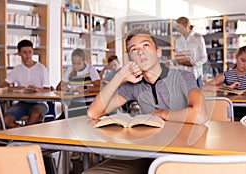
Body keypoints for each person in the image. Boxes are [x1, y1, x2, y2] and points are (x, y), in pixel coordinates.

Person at [85, 27, 208, 174]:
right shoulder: (133, 85)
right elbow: (93, 112)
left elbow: (200, 115)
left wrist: (161, 114)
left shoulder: (183, 77)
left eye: (145, 45)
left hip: (181, 154)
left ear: (158, 52)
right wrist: (120, 76)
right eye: (134, 50)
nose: (140, 52)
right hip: (145, 154)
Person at [3, 39, 51, 128]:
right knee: (6, 119)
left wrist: (38, 89)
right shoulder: (17, 69)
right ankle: (24, 134)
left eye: (30, 52)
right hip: (22, 103)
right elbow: (4, 85)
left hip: (40, 103)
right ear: (19, 54)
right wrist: (16, 88)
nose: (28, 55)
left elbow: (48, 89)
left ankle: (24, 136)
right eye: (24, 52)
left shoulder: (41, 68)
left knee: (35, 114)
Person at [56, 48, 100, 119]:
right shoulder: (70, 70)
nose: (76, 66)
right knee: (57, 122)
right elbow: (58, 87)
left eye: (79, 63)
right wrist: (65, 88)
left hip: (89, 104)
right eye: (74, 63)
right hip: (74, 103)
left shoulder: (91, 70)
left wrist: (85, 88)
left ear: (84, 61)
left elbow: (100, 88)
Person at [175, 16, 207, 88]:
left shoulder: (198, 38)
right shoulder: (178, 41)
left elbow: (204, 57)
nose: (177, 29)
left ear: (185, 26)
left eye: (178, 26)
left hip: (195, 75)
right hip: (182, 76)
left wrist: (195, 64)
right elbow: (177, 56)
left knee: (196, 98)